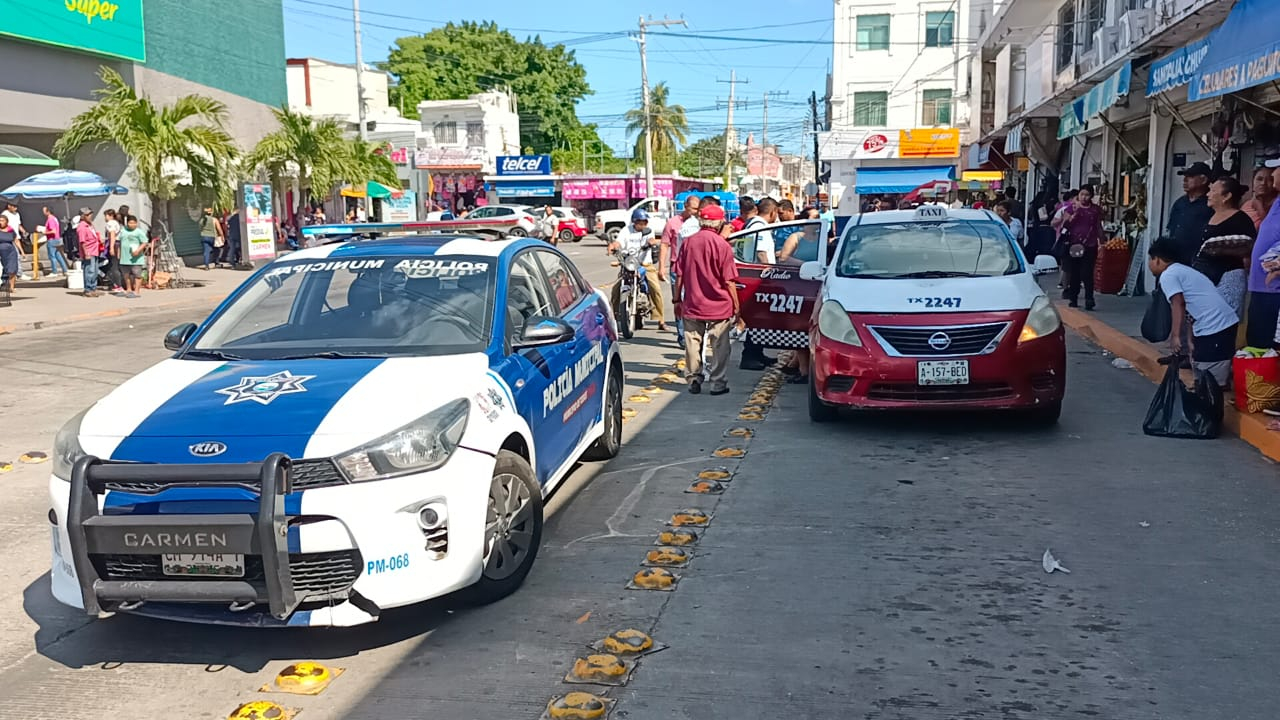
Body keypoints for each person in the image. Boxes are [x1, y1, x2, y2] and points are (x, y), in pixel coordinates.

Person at [1148, 238, 1239, 388]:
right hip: (1217, 325)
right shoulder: (1183, 271)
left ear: (1157, 259)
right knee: (1200, 370)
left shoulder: (1168, 275)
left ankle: (1213, 406)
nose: (1150, 265)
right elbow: (1192, 309)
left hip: (1216, 326)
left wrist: (1176, 336)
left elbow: (1179, 303)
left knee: (1211, 380)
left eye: (1150, 260)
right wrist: (1190, 340)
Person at [674, 204, 740, 396]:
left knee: (693, 343)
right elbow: (729, 281)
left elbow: (679, 275)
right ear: (719, 222)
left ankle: (694, 378)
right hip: (719, 305)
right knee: (720, 344)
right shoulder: (722, 246)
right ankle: (717, 383)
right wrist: (737, 307)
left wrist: (677, 300)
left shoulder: (688, 243)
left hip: (693, 303)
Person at [1194, 177, 1255, 318]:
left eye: (1213, 190)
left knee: (1224, 321)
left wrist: (1219, 250)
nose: (1208, 194)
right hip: (1206, 276)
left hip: (1228, 276)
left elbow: (1247, 247)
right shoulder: (1210, 216)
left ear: (1226, 196)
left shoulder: (1241, 219)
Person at [607, 208, 665, 331]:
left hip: (645, 264)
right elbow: (618, 242)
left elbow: (651, 240)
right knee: (616, 290)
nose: (643, 224)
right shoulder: (626, 231)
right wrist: (613, 246)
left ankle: (660, 319)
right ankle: (614, 317)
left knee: (655, 288)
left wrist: (652, 242)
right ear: (634, 221)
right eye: (641, 222)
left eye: (645, 222)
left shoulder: (648, 231)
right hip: (629, 263)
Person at [1247, 159, 1280, 348]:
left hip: (1274, 288)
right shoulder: (1277, 203)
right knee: (1257, 342)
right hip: (1260, 287)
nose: (1273, 174)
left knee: (1269, 346)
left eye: (1276, 170)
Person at [661, 194, 702, 349]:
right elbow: (664, 244)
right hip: (676, 267)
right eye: (693, 208)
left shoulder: (699, 223)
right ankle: (682, 335)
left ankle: (694, 334)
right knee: (679, 300)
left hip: (694, 268)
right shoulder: (673, 223)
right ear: (686, 207)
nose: (696, 211)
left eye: (698, 209)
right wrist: (661, 267)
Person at [1058, 184, 1105, 310]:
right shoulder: (1071, 208)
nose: (1084, 197)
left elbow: (1098, 226)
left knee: (1087, 273)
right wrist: (1075, 213)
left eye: (1087, 195)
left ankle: (1089, 298)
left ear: (1091, 196)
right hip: (1074, 244)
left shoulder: (1095, 210)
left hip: (1090, 244)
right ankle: (1073, 297)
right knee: (1075, 272)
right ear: (1078, 195)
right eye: (1082, 194)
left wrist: (1102, 241)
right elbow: (1066, 224)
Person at [1167, 162, 1214, 265]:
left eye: (1190, 176)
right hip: (1176, 260)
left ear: (1204, 180)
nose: (1185, 180)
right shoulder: (1179, 203)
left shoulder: (1211, 204)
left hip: (1200, 262)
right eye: (1185, 176)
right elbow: (1172, 230)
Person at [117, 215, 149, 298]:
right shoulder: (123, 231)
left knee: (137, 274)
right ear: (127, 223)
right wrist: (118, 253)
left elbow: (144, 242)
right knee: (126, 274)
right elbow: (120, 242)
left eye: (134, 223)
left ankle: (137, 291)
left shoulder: (139, 232)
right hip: (125, 257)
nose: (132, 225)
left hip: (136, 258)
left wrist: (138, 250)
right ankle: (128, 289)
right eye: (130, 223)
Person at [76, 207, 102, 298]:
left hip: (95, 250)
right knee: (89, 271)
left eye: (90, 214)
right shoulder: (82, 227)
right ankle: (88, 289)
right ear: (82, 216)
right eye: (87, 215)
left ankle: (93, 288)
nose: (90, 216)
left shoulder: (90, 225)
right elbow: (82, 241)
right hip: (89, 251)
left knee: (94, 271)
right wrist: (86, 253)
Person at [1245, 165, 1277, 230]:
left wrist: (1259, 207)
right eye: (1259, 179)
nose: (1263, 183)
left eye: (1270, 180)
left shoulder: (1277, 206)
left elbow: (1271, 230)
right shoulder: (1247, 205)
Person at [102, 208, 125, 294]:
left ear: (110, 216)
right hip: (117, 244)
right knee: (115, 264)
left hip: (114, 244)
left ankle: (118, 285)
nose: (105, 218)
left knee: (114, 265)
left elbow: (112, 235)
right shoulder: (117, 223)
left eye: (106, 216)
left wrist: (111, 247)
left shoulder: (111, 223)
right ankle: (117, 284)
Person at [41, 206, 68, 276]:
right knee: (58, 255)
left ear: (48, 211)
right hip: (57, 239)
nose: (43, 212)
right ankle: (65, 270)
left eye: (44, 210)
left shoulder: (50, 219)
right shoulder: (54, 218)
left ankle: (54, 271)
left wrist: (44, 232)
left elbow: (53, 231)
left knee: (52, 256)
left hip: (52, 239)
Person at [0, 214, 22, 295]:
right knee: (3, 269)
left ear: (6, 222)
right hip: (1, 252)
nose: (0, 222)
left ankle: (11, 287)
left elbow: (16, 240)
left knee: (12, 269)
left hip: (10, 252)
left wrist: (22, 251)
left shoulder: (10, 230)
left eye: (2, 220)